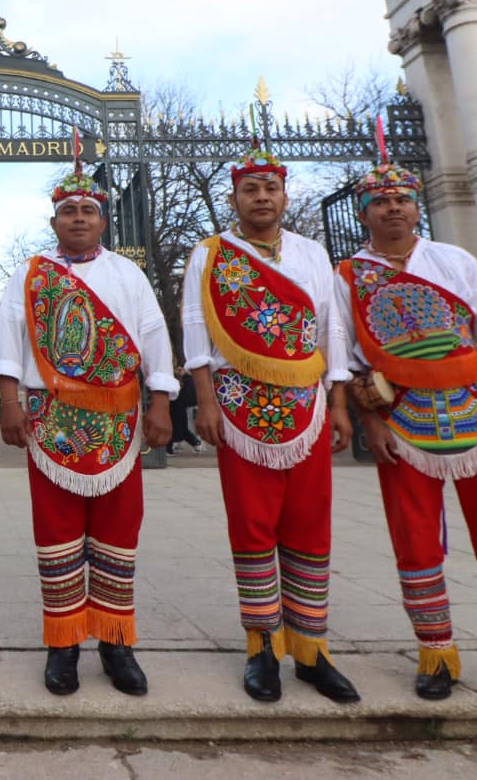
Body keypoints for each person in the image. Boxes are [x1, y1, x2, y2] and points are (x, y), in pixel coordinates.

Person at [327, 160, 477, 722]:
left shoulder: (456, 261)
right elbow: (346, 359)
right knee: (415, 540)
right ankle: (436, 654)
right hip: (404, 422)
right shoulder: (348, 276)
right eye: (380, 202)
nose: (392, 209)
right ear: (365, 214)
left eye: (401, 200)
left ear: (416, 206)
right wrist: (373, 422)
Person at [181, 144, 359, 705]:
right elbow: (196, 333)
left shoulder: (312, 254)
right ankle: (262, 645)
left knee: (309, 524)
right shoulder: (210, 255)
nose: (262, 198)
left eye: (270, 189)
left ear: (285, 195)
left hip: (306, 406)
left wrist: (338, 404)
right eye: (250, 190)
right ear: (234, 198)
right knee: (253, 525)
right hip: (238, 407)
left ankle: (311, 648)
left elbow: (331, 331)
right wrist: (205, 402)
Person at [0, 161, 175, 696]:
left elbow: (154, 337)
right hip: (51, 423)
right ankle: (64, 642)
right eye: (68, 211)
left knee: (119, 531)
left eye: (88, 211)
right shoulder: (29, 274)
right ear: (53, 222)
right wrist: (8, 401)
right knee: (57, 533)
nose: (78, 219)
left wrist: (159, 402)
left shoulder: (128, 274)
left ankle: (116, 642)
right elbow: (8, 338)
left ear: (102, 220)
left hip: (118, 422)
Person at [167, 365, 204, 454]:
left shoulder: (185, 380)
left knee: (180, 430)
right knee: (181, 430)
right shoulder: (185, 380)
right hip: (179, 408)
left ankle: (195, 443)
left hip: (178, 408)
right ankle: (195, 443)